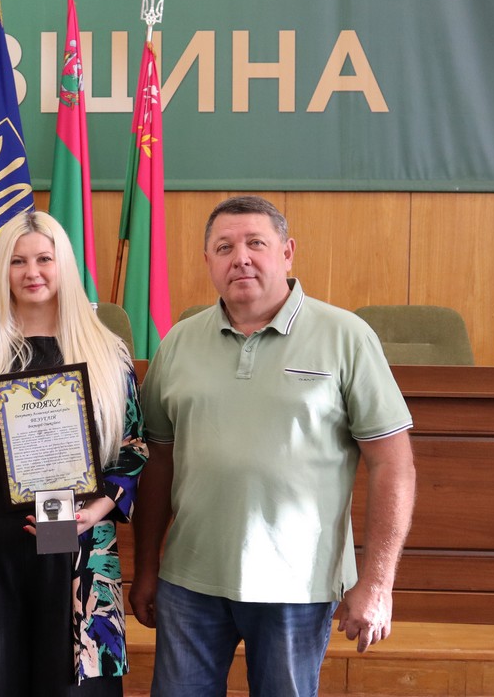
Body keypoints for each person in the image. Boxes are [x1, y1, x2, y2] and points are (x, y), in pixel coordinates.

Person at [131, 195, 416, 697]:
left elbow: (393, 464)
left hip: (297, 587)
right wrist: (147, 567)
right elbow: (157, 461)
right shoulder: (177, 342)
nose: (240, 258)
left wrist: (377, 583)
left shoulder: (346, 336)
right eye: (224, 247)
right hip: (189, 581)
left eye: (255, 244)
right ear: (208, 261)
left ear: (287, 252)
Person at [0, 211, 148, 696]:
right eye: (17, 261)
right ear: (2, 270)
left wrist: (94, 512)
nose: (32, 272)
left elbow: (133, 448)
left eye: (44, 259)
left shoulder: (107, 352)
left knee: (67, 683)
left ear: (64, 265)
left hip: (72, 532)